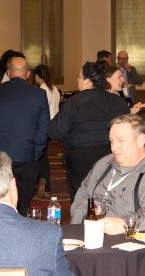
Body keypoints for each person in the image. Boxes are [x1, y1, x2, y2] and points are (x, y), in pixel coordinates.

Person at [70, 114, 145, 235]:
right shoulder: (103, 164)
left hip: (135, 239)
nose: (113, 147)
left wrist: (124, 224)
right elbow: (83, 193)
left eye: (120, 141)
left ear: (140, 141)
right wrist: (77, 227)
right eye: (111, 141)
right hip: (94, 235)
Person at [48, 61, 129, 199]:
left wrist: (69, 138)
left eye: (79, 77)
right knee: (109, 196)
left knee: (81, 197)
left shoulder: (74, 102)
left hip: (80, 157)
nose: (77, 80)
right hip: (112, 154)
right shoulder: (118, 102)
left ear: (87, 81)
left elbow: (56, 131)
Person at [0, 55, 49, 216]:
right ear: (28, 74)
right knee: (23, 203)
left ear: (8, 72)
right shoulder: (39, 94)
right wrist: (36, 153)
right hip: (27, 156)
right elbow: (44, 127)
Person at [33, 63, 59, 198]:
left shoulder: (41, 91)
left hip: (43, 126)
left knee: (40, 156)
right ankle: (45, 183)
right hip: (53, 125)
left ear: (37, 76)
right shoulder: (54, 89)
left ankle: (42, 182)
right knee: (44, 156)